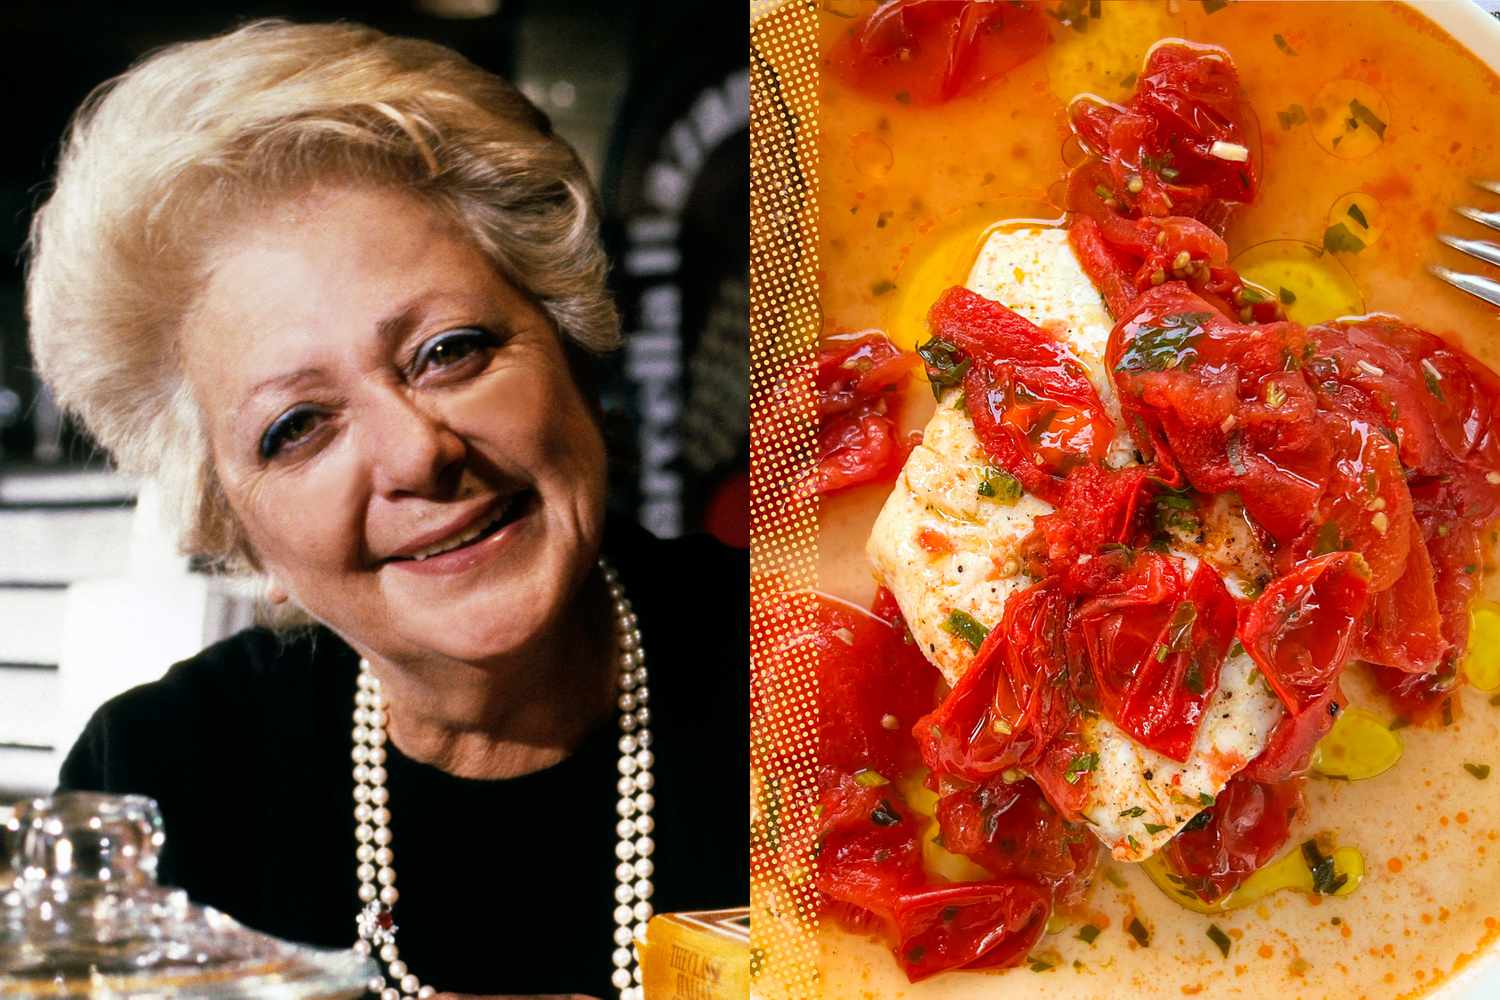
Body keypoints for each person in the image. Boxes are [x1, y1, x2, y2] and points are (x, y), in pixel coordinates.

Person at [25, 20, 747, 1000]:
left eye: (450, 349)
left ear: (566, 340)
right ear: (233, 527)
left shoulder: (811, 667)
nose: (418, 452)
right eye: (297, 428)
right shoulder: (158, 778)